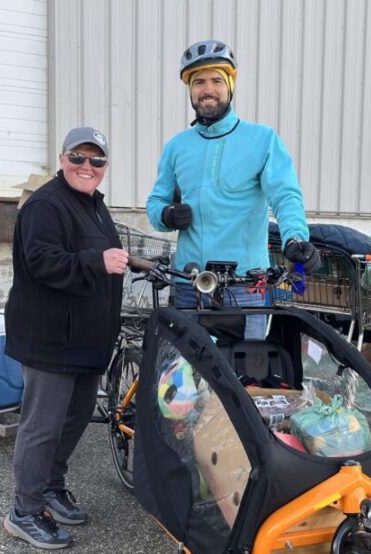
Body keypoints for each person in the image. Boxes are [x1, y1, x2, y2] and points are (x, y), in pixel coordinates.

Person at [3, 126, 128, 550]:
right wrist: (98, 260)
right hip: (51, 340)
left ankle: (51, 488)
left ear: (105, 167)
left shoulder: (93, 205)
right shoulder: (45, 206)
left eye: (96, 160)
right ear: (62, 159)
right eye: (78, 157)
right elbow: (41, 262)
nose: (86, 167)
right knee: (42, 426)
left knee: (73, 422)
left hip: (88, 341)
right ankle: (24, 510)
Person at [147, 39, 321, 339]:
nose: (208, 89)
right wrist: (167, 214)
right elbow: (155, 203)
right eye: (198, 82)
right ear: (190, 90)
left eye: (216, 80)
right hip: (190, 285)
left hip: (245, 287)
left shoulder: (263, 140)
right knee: (184, 381)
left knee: (244, 379)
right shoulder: (177, 147)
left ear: (230, 85)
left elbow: (285, 195)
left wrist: (295, 238)